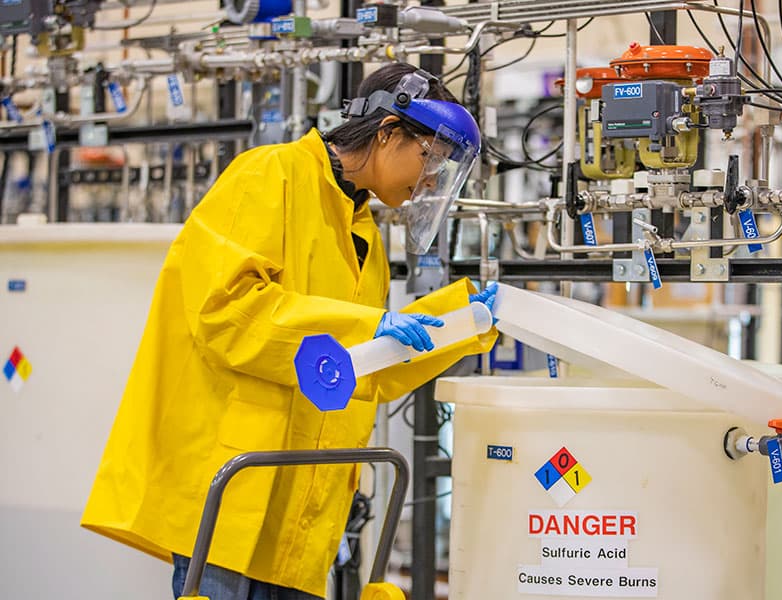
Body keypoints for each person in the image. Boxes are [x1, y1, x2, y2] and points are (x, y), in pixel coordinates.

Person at [81, 62, 498, 600]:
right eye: (429, 158)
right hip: (236, 489)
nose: (430, 180)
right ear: (388, 133)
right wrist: (370, 322)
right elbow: (225, 312)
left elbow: (359, 365)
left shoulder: (361, 231)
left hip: (303, 506)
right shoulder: (269, 175)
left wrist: (463, 322)